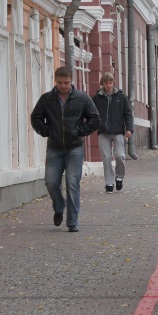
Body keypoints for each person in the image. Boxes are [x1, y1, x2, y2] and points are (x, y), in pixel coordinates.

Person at [31, 66, 100, 232]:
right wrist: (47, 131)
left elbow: (95, 118)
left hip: (74, 148)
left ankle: (72, 221)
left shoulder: (81, 98)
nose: (63, 86)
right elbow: (35, 117)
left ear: (71, 81)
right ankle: (59, 206)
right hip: (54, 148)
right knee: (51, 182)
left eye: (66, 83)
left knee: (72, 183)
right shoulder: (47, 99)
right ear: (55, 81)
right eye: (60, 83)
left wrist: (80, 132)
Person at [92, 72, 133, 193]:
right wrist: (93, 125)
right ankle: (109, 183)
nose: (108, 85)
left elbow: (128, 114)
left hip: (118, 130)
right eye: (106, 83)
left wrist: (129, 129)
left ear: (113, 82)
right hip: (103, 131)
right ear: (102, 84)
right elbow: (91, 113)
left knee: (120, 155)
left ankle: (119, 177)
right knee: (106, 158)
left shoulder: (120, 96)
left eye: (110, 82)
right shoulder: (97, 98)